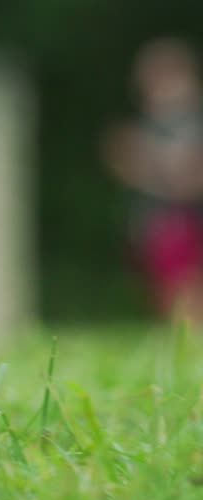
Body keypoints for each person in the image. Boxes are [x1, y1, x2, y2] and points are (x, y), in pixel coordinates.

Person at [104, 38, 203, 322]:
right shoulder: (153, 124)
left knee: (185, 292)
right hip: (160, 223)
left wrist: (149, 160)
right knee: (173, 293)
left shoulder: (190, 122)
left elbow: (186, 177)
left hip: (186, 221)